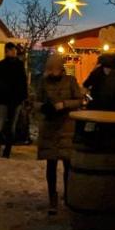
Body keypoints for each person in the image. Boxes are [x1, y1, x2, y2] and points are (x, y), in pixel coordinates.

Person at [34, 53, 84, 215]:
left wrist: (64, 104)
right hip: (50, 128)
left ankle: (68, 195)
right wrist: (44, 107)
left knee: (68, 164)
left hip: (66, 127)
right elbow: (35, 101)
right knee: (51, 165)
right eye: (49, 70)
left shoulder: (70, 81)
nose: (51, 73)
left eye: (54, 70)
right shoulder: (43, 82)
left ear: (60, 69)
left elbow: (79, 100)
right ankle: (52, 198)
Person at [0, 42, 28, 158]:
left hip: (15, 99)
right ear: (7, 51)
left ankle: (6, 151)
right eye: (12, 50)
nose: (14, 52)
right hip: (5, 99)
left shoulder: (19, 65)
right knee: (1, 125)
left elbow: (23, 82)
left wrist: (23, 97)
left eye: (15, 50)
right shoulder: (1, 65)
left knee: (11, 126)